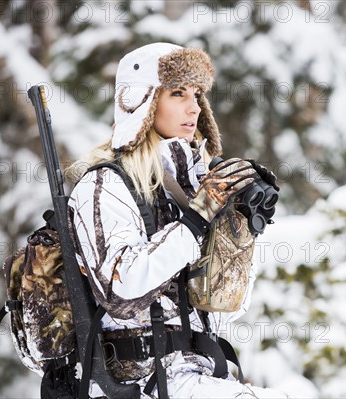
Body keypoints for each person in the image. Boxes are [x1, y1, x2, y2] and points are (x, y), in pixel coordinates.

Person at [66, 42, 288, 398]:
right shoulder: (106, 185)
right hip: (135, 383)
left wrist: (240, 227)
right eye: (178, 93)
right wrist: (197, 220)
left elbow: (227, 308)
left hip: (196, 373)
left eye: (198, 94)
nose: (194, 107)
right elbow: (121, 290)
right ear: (143, 101)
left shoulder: (194, 182)